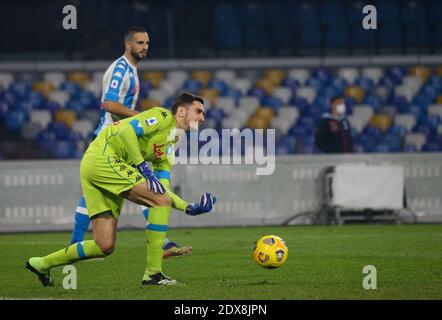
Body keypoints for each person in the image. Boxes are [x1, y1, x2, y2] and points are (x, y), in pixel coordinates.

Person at [25, 92, 217, 286]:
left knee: (104, 245)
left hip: (96, 165)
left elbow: (162, 187)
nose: (202, 118)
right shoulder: (162, 116)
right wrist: (142, 167)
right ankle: (153, 274)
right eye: (198, 111)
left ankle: (41, 263)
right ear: (182, 111)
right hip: (104, 158)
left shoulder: (173, 141)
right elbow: (127, 132)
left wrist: (187, 207)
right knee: (160, 201)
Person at [70, 26, 191, 258]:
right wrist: (141, 118)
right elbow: (110, 104)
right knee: (148, 185)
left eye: (147, 43)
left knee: (91, 195)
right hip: (114, 140)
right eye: (140, 43)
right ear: (128, 44)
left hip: (113, 139)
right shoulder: (121, 70)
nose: (145, 47)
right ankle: (161, 243)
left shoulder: (130, 69)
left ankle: (74, 244)